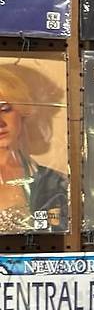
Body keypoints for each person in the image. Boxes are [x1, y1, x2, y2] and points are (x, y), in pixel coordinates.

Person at [0, 67, 68, 234]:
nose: (0, 123)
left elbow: (56, 236)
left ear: (21, 112)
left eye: (5, 109)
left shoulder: (53, 182)